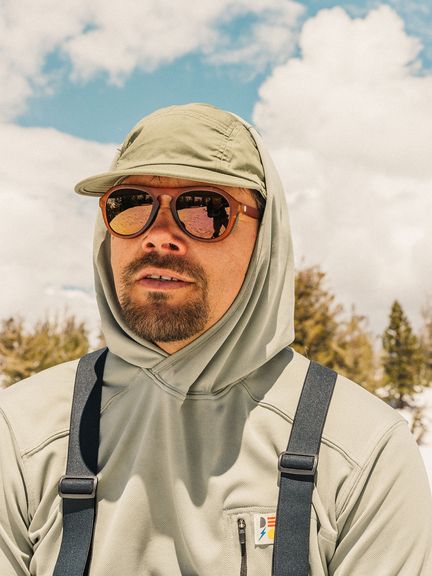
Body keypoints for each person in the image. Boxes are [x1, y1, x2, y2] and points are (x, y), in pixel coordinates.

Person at [0, 103, 431, 576]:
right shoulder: (21, 435)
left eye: (204, 209)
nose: (158, 237)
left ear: (266, 238)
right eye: (131, 205)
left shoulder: (361, 451)